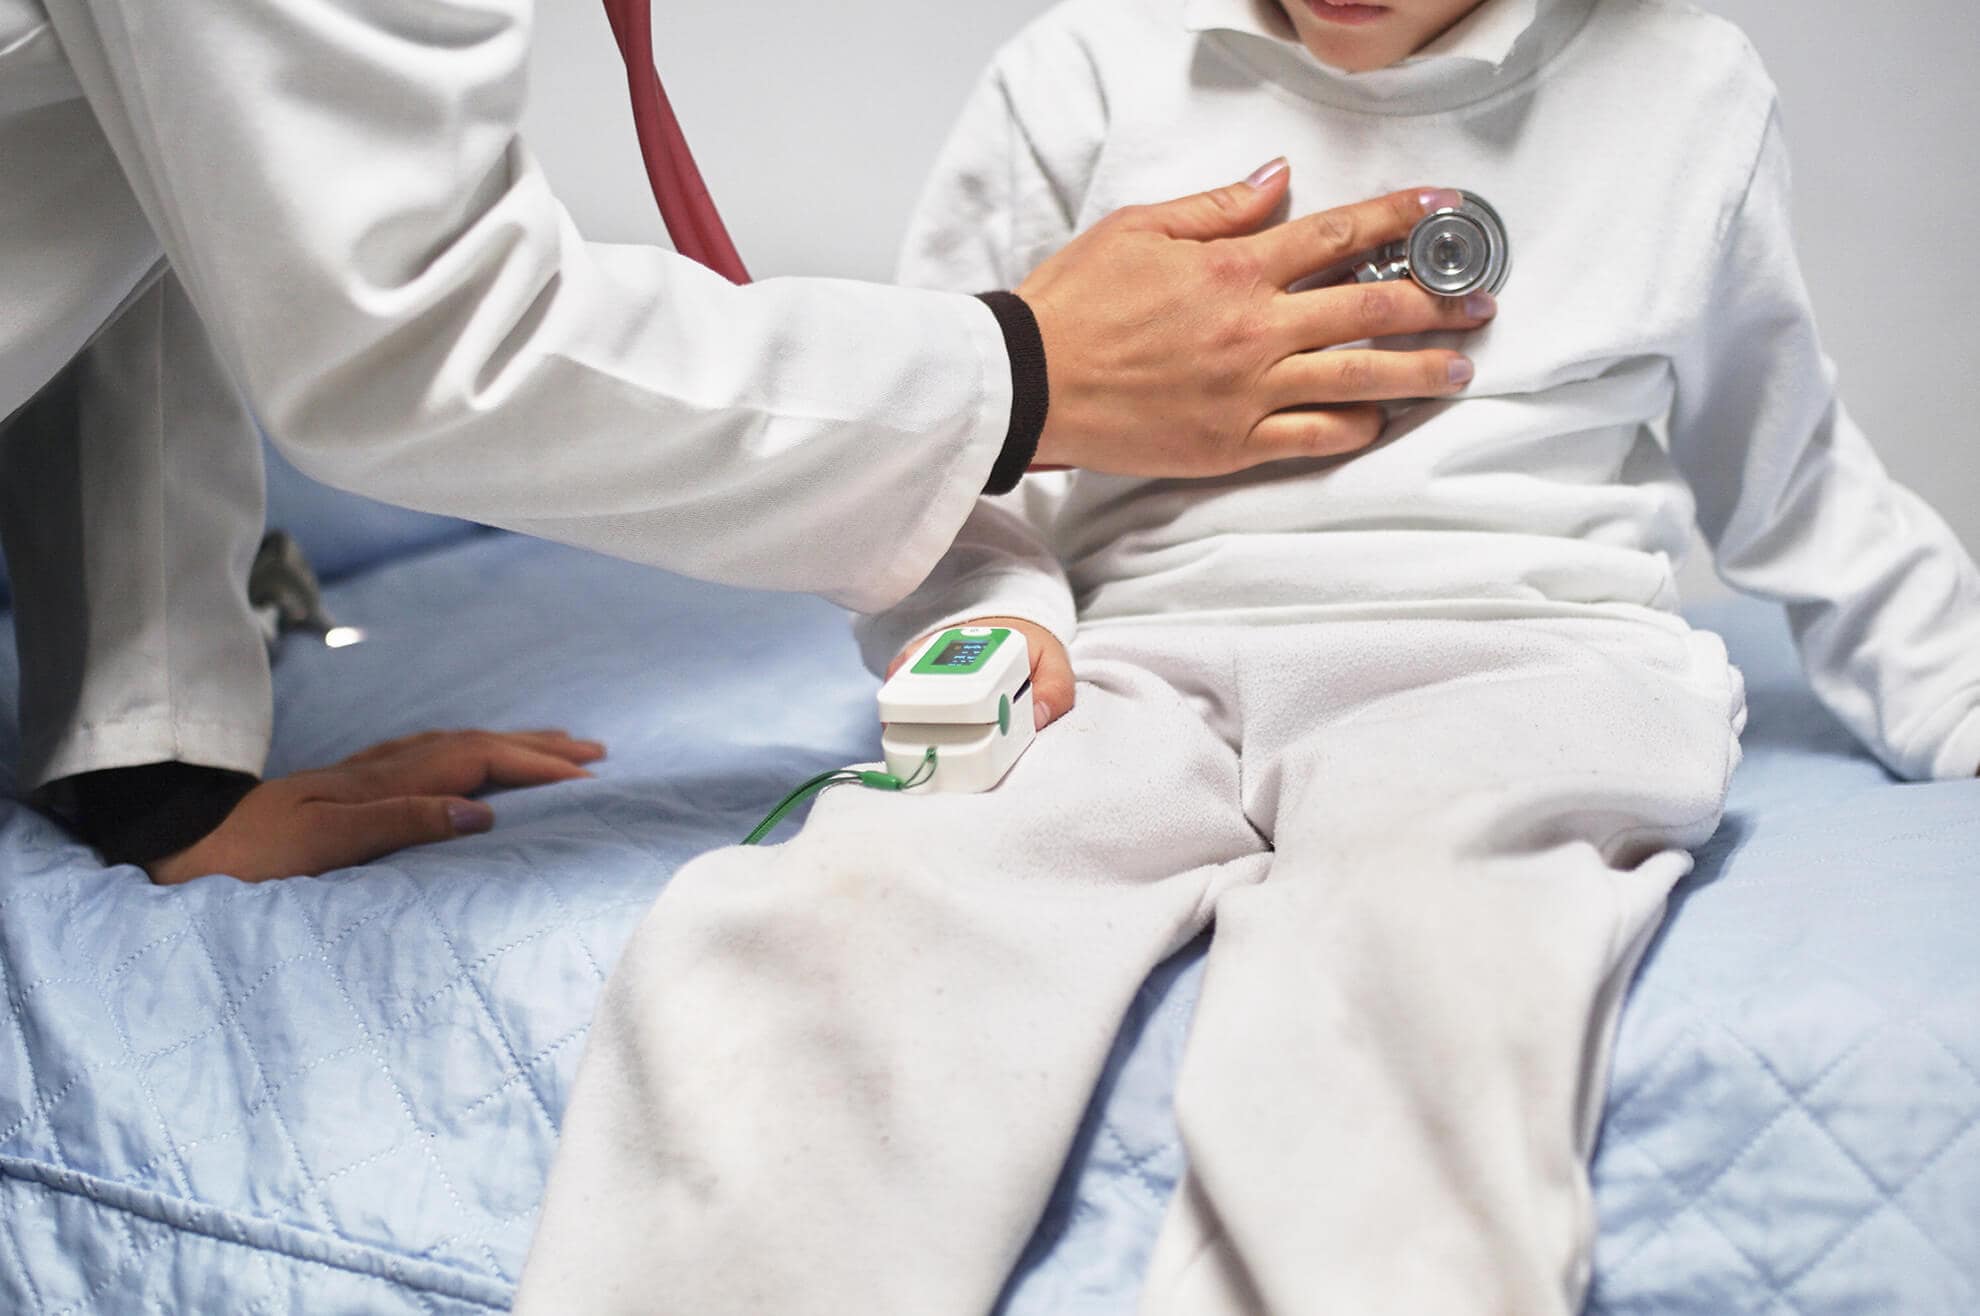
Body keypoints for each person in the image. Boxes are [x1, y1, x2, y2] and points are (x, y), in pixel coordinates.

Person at [516, 0, 1980, 1311]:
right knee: (840, 931)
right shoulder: (1079, 71)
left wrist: (1956, 689)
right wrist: (992, 622)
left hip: (1515, 655)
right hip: (1138, 660)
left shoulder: (1683, 87)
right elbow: (960, 449)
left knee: (1417, 974)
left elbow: (1793, 473)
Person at [0, 0, 1494, 882]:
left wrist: (153, 761)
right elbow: (420, 333)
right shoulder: (1082, 79)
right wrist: (1028, 375)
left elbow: (170, 175)